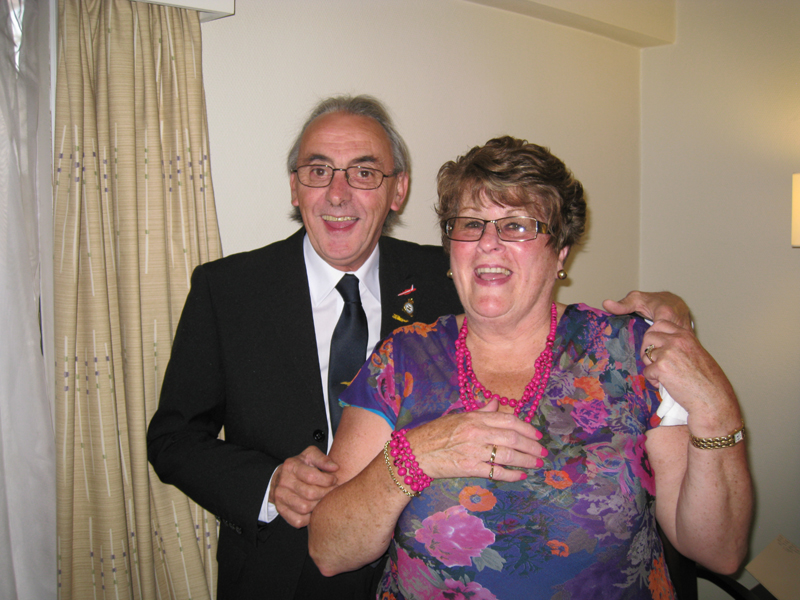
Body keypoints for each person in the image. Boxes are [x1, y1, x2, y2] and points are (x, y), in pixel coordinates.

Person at [147, 95, 692, 600]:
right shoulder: (228, 289)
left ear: (398, 190)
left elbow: (542, 309)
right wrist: (268, 485)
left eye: (364, 172)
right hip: (284, 568)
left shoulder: (453, 270)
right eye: (318, 171)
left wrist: (669, 310)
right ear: (295, 187)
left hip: (428, 563)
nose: (338, 193)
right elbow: (173, 437)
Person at [308, 136, 752, 599]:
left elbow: (718, 551)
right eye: (471, 224)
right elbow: (329, 550)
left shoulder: (628, 355)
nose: (488, 244)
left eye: (517, 226)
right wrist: (414, 457)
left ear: (560, 252)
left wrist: (717, 410)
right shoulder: (400, 361)